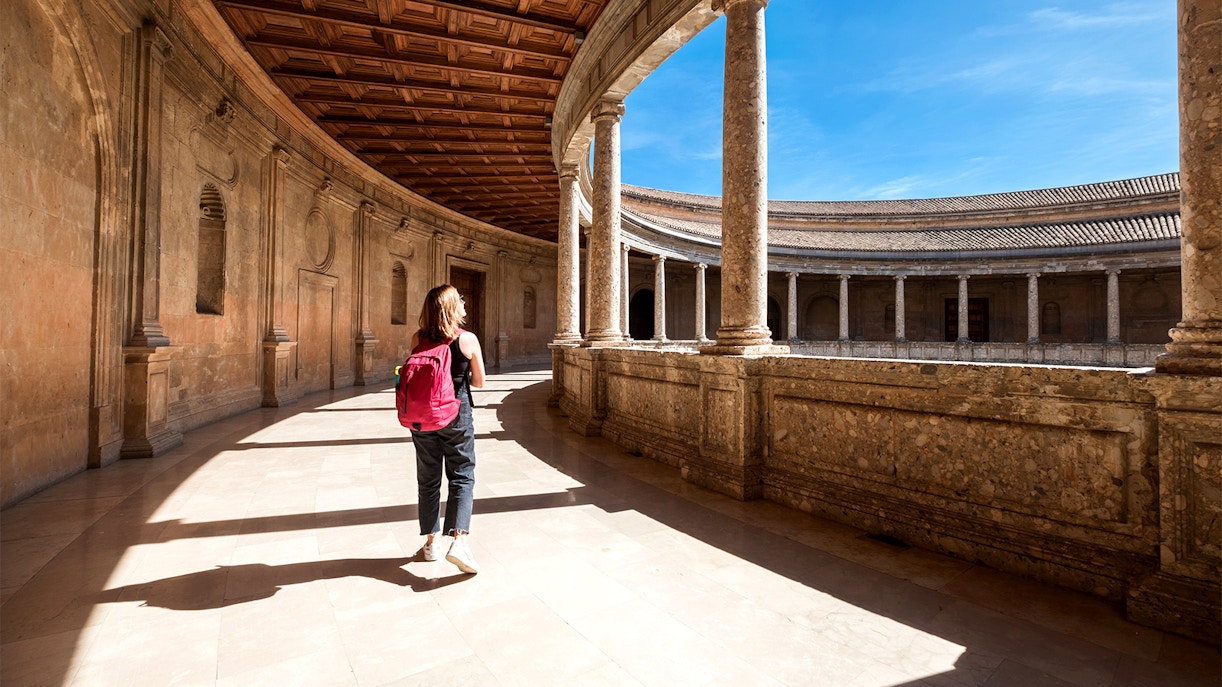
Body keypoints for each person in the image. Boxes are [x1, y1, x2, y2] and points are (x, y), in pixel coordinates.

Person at [408, 284, 485, 574]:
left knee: (428, 478)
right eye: (460, 300)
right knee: (462, 474)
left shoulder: (418, 338)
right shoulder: (467, 339)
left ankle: (430, 544)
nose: (465, 302)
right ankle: (459, 542)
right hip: (456, 412)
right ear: (453, 308)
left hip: (423, 415)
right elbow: (479, 382)